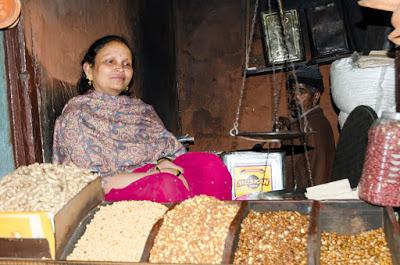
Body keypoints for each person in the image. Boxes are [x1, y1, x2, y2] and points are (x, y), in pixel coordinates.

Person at [52, 35, 232, 202]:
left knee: (210, 165)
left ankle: (213, 229)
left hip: (161, 173)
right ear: (89, 70)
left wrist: (163, 163)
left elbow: (167, 152)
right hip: (114, 188)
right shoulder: (77, 115)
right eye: (110, 61)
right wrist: (154, 174)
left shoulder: (141, 110)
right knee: (165, 185)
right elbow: (93, 181)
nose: (120, 68)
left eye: (126, 64)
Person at [280, 64, 335, 189]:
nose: (294, 97)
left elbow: (288, 173)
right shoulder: (319, 121)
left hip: (308, 199)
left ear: (315, 96)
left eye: (301, 92)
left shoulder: (307, 127)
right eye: (292, 91)